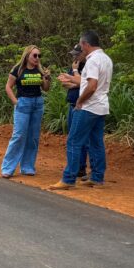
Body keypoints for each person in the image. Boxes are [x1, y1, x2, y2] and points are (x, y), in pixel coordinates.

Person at [50, 31, 112, 189]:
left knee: (73, 142)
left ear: (86, 44)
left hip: (88, 107)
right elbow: (88, 82)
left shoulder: (92, 60)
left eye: (81, 44)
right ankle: (97, 177)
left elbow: (91, 86)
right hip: (101, 106)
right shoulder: (106, 59)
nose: (81, 48)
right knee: (96, 143)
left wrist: (80, 100)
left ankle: (68, 179)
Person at [1, 45, 51, 178]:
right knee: (19, 135)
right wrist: (15, 102)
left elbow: (45, 89)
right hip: (23, 103)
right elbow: (8, 86)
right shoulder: (18, 69)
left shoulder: (39, 70)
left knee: (33, 137)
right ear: (27, 56)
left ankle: (27, 166)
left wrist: (47, 78)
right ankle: (8, 168)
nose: (37, 58)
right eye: (35, 55)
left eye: (39, 56)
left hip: (37, 104)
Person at [56, 44, 88, 181]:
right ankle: (76, 166)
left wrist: (75, 76)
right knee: (72, 136)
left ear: (84, 53)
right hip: (72, 104)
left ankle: (80, 168)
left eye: (77, 54)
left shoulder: (86, 66)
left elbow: (86, 83)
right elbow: (65, 83)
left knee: (78, 139)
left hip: (82, 106)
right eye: (73, 54)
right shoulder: (75, 65)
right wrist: (76, 82)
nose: (74, 57)